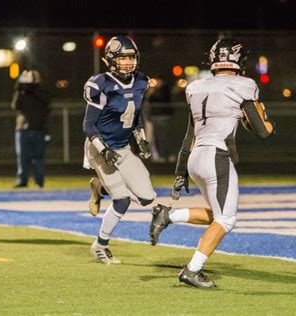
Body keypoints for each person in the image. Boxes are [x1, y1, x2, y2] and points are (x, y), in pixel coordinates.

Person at [149, 38, 275, 288]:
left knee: (218, 216)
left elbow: (189, 135)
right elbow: (262, 131)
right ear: (239, 60)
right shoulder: (244, 85)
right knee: (226, 220)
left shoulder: (196, 87)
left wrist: (180, 172)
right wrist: (268, 120)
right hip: (216, 157)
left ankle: (168, 215)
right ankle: (192, 270)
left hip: (196, 157)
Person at [83, 36, 157, 264]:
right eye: (122, 57)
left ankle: (99, 187)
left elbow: (134, 115)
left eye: (131, 57)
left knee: (147, 197)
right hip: (99, 148)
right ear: (110, 60)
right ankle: (100, 245)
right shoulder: (100, 84)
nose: (127, 62)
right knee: (122, 199)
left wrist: (141, 138)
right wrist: (103, 150)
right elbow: (88, 125)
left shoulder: (141, 81)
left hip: (123, 147)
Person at [11, 70, 50, 188]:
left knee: (38, 157)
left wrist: (34, 88)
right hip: (23, 129)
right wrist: (19, 89)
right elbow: (15, 106)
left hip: (38, 129)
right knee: (23, 157)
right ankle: (22, 180)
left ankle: (39, 181)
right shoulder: (22, 93)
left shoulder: (42, 93)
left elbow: (46, 102)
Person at [142, 77, 174, 162]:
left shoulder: (164, 90)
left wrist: (152, 94)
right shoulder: (152, 91)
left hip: (162, 116)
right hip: (154, 116)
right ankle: (159, 155)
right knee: (155, 137)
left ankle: (165, 154)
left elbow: (161, 99)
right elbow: (146, 102)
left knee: (163, 137)